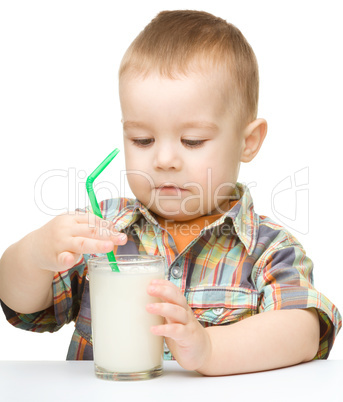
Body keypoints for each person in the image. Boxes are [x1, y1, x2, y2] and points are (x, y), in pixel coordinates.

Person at [0, 10, 341, 376]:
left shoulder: (267, 250)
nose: (163, 159)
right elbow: (23, 305)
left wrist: (210, 351)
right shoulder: (102, 230)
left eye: (192, 141)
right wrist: (36, 254)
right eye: (142, 139)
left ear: (248, 142)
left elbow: (303, 331)